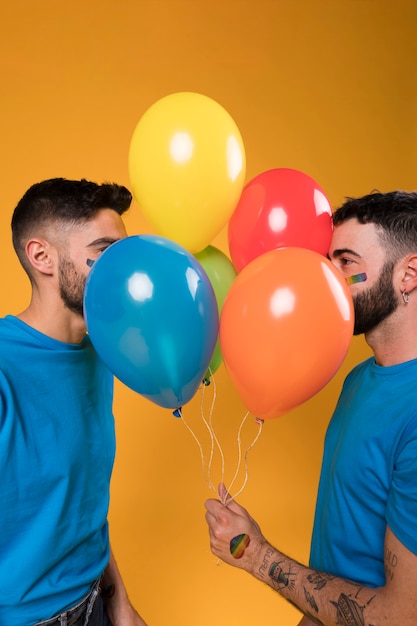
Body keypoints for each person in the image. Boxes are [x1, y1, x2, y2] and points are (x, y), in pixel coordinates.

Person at [205, 190, 417, 625]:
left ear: (409, 275)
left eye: (346, 262)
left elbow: (401, 616)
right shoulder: (359, 378)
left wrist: (257, 556)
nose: (327, 276)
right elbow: (343, 557)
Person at [1, 178, 147, 626]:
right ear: (41, 256)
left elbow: (82, 505)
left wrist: (117, 598)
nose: (119, 271)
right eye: (104, 253)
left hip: (95, 605)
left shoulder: (101, 352)